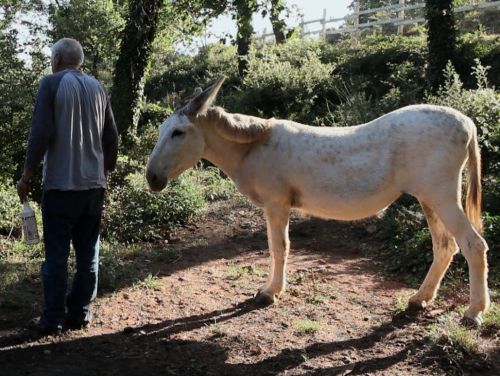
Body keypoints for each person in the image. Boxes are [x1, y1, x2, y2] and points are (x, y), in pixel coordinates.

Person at [17, 38, 119, 334]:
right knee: (89, 254)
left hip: (61, 187)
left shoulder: (51, 84)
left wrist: (27, 175)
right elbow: (111, 138)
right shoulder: (99, 88)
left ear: (58, 58)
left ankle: (52, 319)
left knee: (57, 256)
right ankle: (81, 312)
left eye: (52, 58)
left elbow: (40, 133)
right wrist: (105, 173)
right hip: (93, 188)